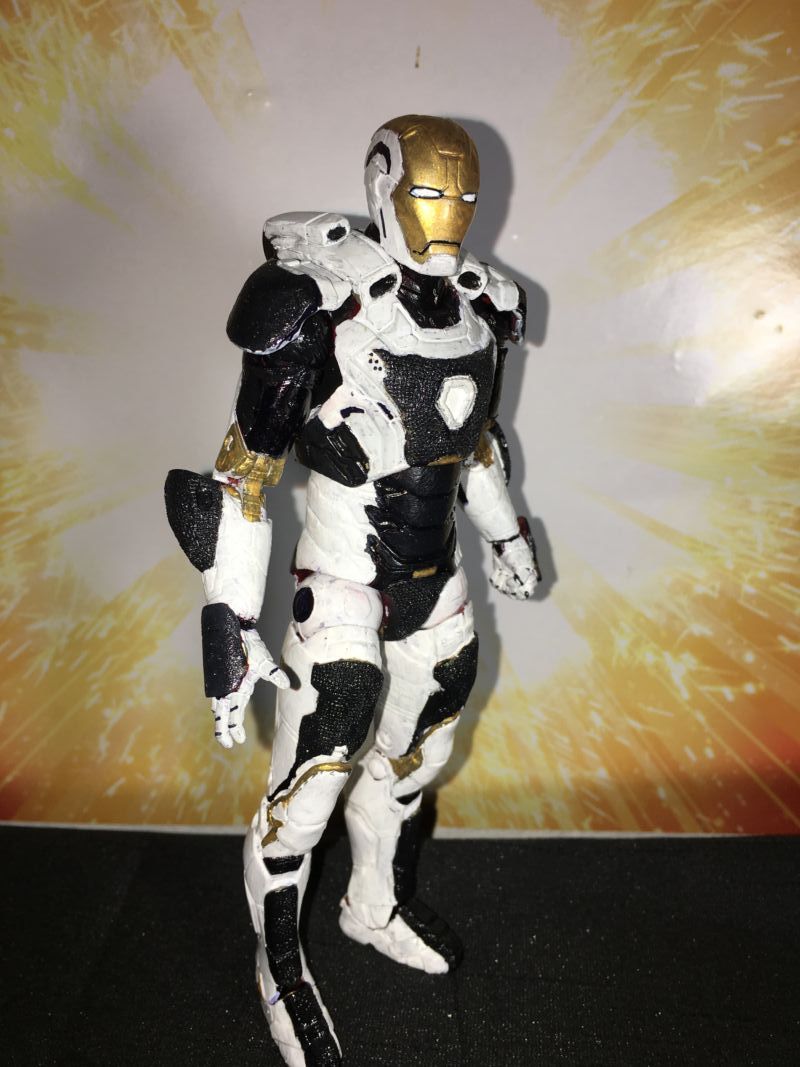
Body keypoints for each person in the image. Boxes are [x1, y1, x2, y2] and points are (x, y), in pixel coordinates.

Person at [165, 114, 539, 1067]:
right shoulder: (315, 299)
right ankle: (280, 961)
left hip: (434, 575)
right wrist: (228, 625)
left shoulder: (484, 304)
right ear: (384, 186)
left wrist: (506, 532)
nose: (447, 214)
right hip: (340, 578)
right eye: (429, 193)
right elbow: (245, 472)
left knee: (417, 752)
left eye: (462, 196)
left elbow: (473, 444)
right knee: (318, 766)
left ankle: (373, 904)